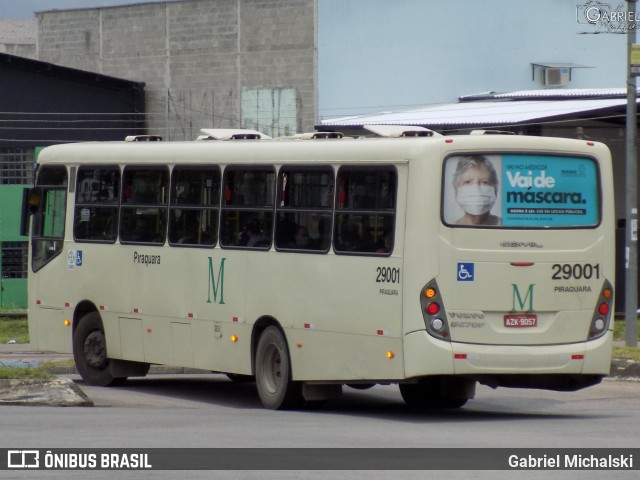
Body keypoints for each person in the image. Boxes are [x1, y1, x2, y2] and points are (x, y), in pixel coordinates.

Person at [452, 156, 501, 226]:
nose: (476, 190)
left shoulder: (508, 225)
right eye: (468, 182)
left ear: (495, 190)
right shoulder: (448, 227)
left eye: (484, 182)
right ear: (456, 191)